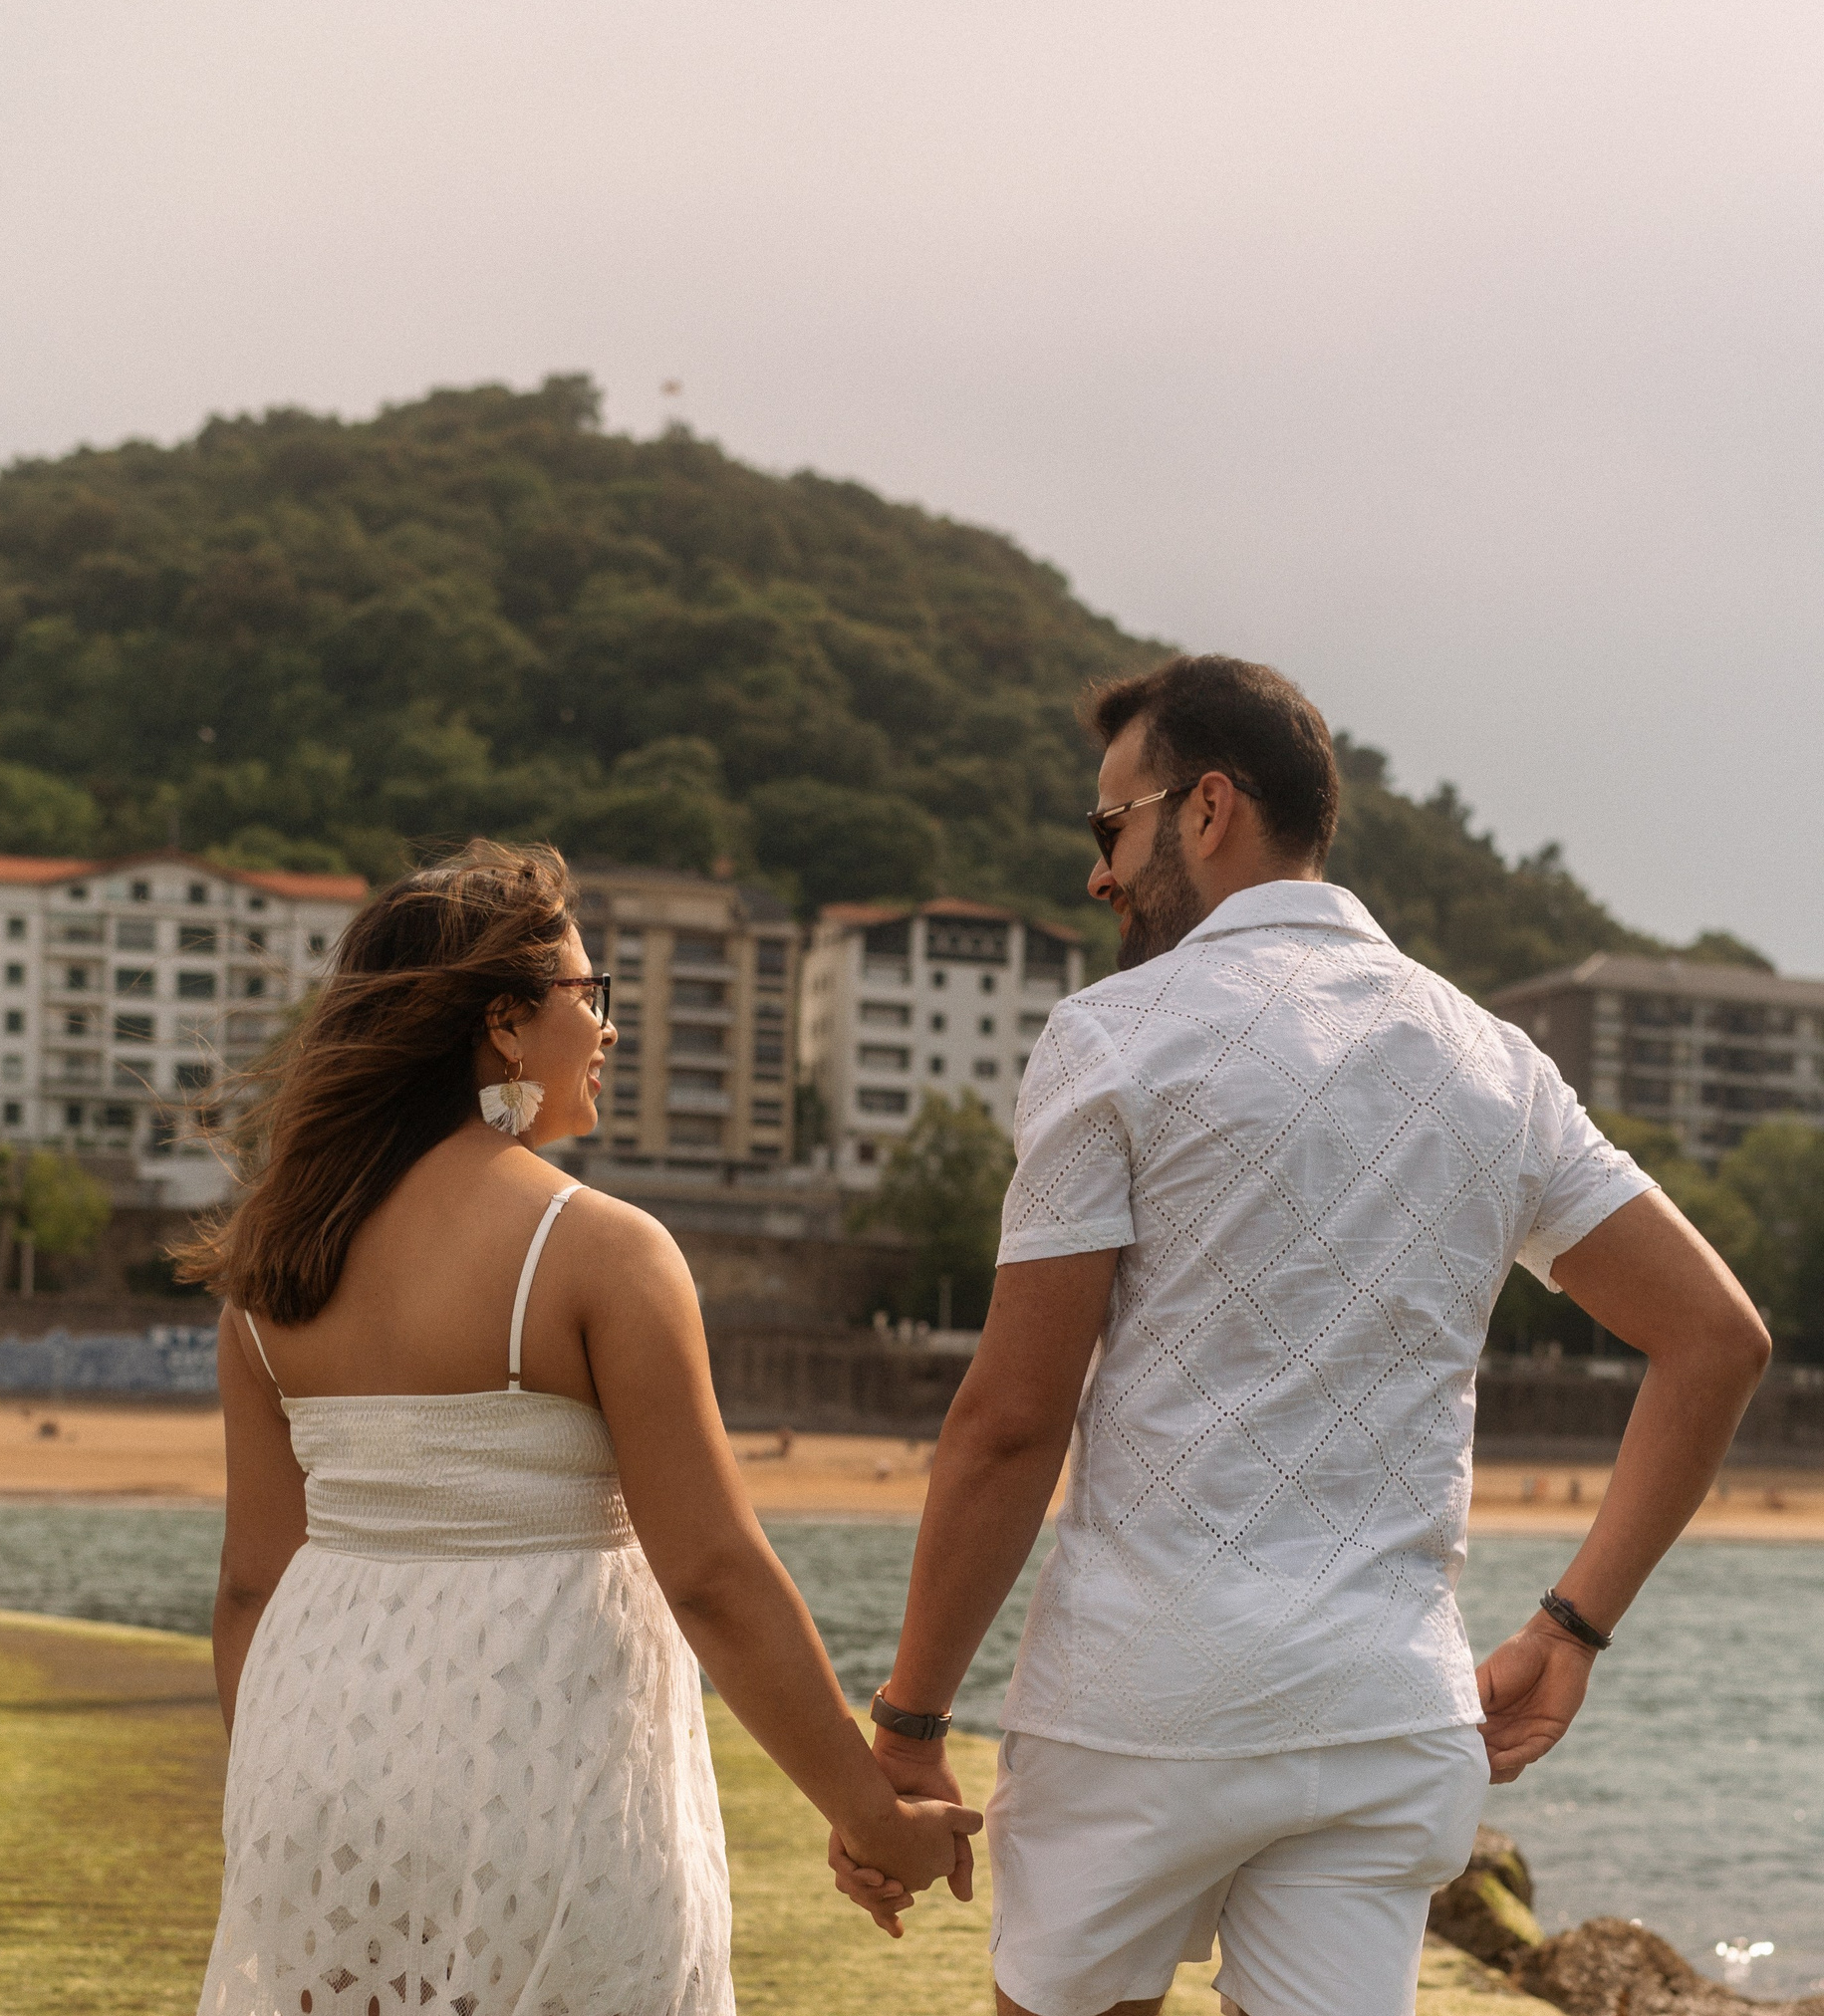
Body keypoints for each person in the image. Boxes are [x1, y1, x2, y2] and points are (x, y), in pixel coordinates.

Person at [832, 655, 1770, 2016]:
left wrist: (912, 1722)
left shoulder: (1114, 1036)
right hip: (1385, 1715)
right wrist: (1572, 1628)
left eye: (1111, 826)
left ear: (1208, 808)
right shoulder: (1493, 1062)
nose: (1098, 872)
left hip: (1143, 1706)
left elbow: (1012, 1422)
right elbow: (1717, 1339)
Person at [185, 841, 977, 2016]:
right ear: (506, 1024)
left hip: (317, 1764)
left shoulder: (271, 1272)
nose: (608, 1026)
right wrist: (871, 1814)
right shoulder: (599, 1250)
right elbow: (711, 1576)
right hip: (537, 1769)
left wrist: (279, 1795)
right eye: (589, 994)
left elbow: (251, 1584)